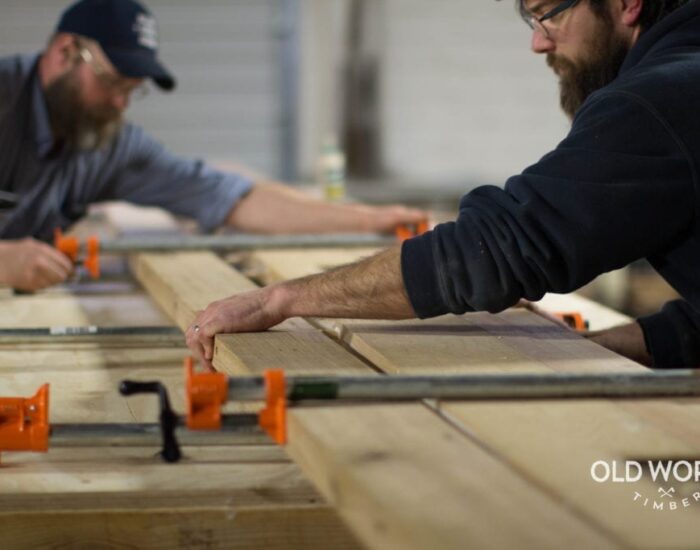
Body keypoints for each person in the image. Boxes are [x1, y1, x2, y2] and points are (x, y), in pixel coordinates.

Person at [188, 0, 700, 370]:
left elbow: (501, 249)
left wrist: (278, 300)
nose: (538, 40)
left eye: (549, 12)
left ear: (628, 4)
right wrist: (600, 348)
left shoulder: (656, 100)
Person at [0, 0, 426, 292]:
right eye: (112, 83)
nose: (119, 104)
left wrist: (373, 219)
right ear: (64, 52)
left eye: (133, 91)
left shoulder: (106, 141)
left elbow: (233, 199)